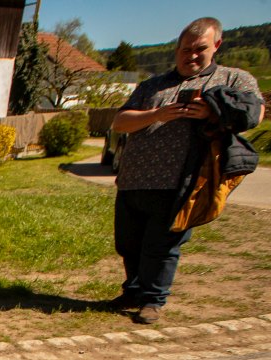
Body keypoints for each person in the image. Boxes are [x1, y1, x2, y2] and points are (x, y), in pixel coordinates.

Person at [108, 17, 262, 325]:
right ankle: (134, 290)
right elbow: (120, 122)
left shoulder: (232, 79)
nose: (191, 55)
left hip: (182, 181)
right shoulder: (152, 85)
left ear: (216, 46)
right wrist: (158, 114)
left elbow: (254, 115)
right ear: (177, 49)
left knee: (161, 245)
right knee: (128, 242)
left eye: (199, 49)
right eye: (185, 49)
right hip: (134, 180)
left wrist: (212, 111)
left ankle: (153, 299)